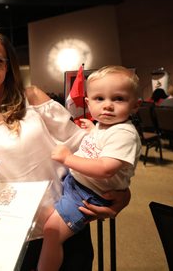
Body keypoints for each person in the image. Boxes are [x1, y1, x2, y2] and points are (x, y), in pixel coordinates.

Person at [0, 31, 130, 270]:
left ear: (9, 65)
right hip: (3, 237)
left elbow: (83, 148)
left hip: (61, 226)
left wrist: (122, 192)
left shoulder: (32, 99)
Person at [38, 65, 141, 270]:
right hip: (77, 183)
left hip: (89, 193)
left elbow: (105, 168)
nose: (108, 106)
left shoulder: (124, 133)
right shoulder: (105, 126)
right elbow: (101, 146)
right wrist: (94, 129)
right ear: (88, 102)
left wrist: (67, 159)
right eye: (99, 99)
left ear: (135, 106)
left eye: (118, 99)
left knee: (52, 232)